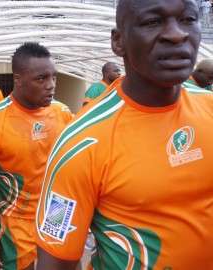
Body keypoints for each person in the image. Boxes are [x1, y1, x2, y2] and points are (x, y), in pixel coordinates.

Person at [36, 0, 213, 269]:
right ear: (118, 42)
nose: (177, 34)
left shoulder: (210, 108)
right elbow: (55, 261)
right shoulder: (80, 142)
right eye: (153, 22)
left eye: (188, 19)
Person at [0, 42, 73, 270]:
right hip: (15, 223)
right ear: (18, 79)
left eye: (53, 77)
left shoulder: (63, 113)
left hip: (57, 213)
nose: (51, 86)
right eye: (41, 79)